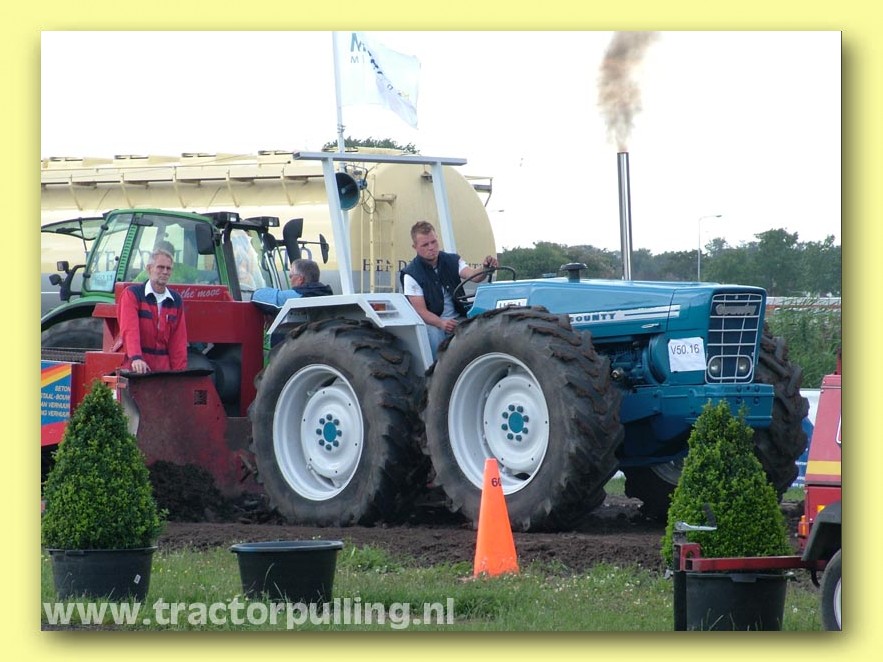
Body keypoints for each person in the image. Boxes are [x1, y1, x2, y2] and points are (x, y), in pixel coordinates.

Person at [402, 220, 498, 357]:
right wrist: (441, 323)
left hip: (458, 317)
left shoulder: (452, 260)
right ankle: (437, 366)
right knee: (434, 334)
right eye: (425, 245)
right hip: (433, 323)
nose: (431, 247)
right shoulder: (411, 274)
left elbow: (473, 276)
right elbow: (421, 311)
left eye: (434, 242)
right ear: (415, 247)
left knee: (479, 327)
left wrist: (485, 268)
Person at [116, 247, 188, 374]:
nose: (165, 272)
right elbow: (129, 330)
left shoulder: (176, 300)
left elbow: (178, 341)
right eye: (160, 267)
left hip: (163, 370)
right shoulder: (132, 295)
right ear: (149, 269)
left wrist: (180, 374)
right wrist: (136, 358)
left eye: (168, 268)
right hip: (136, 367)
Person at [250, 258, 333, 309]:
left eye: (291, 276)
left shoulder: (297, 296)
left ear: (300, 279)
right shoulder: (327, 294)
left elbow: (257, 296)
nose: (290, 280)